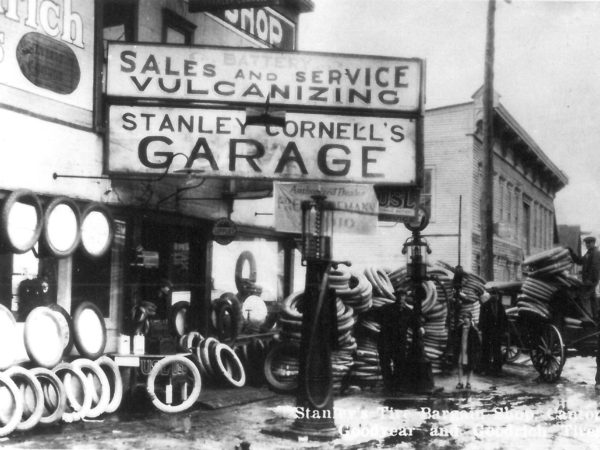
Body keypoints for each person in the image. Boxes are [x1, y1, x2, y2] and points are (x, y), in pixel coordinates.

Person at [377, 290, 411, 392]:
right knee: (385, 363)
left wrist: (420, 327)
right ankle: (388, 385)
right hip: (386, 340)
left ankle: (396, 385)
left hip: (399, 342)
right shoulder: (387, 308)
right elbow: (376, 315)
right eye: (400, 296)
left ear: (406, 297)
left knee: (399, 363)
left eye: (403, 295)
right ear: (396, 297)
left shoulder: (408, 312)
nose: (401, 298)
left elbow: (415, 321)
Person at [570, 236, 600, 320]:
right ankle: (596, 317)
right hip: (589, 280)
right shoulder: (588, 253)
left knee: (582, 296)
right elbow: (580, 261)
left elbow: (594, 267)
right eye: (586, 243)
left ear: (593, 243)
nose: (587, 245)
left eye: (589, 243)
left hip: (591, 280)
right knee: (592, 298)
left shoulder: (596, 253)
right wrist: (571, 253)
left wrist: (589, 280)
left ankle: (587, 317)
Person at [479, 291, 508, 375]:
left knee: (497, 351)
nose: (494, 296)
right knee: (486, 351)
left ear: (498, 295)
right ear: (490, 295)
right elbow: (481, 319)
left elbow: (504, 319)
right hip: (487, 332)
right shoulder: (485, 306)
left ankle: (497, 370)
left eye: (496, 294)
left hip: (497, 333)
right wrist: (481, 329)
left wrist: (504, 330)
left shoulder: (500, 306)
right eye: (493, 294)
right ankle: (485, 369)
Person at [456, 312, 481, 390]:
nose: (466, 319)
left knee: (470, 366)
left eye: (467, 318)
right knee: (460, 365)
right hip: (461, 349)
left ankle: (468, 382)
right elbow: (456, 339)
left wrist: (476, 351)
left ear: (470, 319)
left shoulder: (474, 330)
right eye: (464, 317)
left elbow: (478, 343)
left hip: (470, 351)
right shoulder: (460, 328)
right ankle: (460, 382)